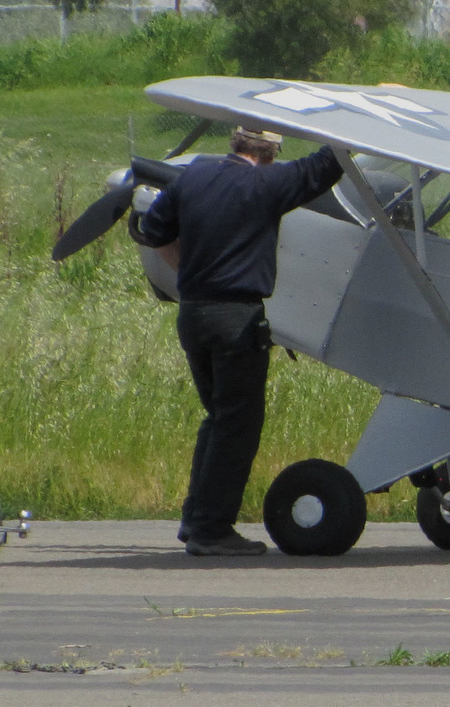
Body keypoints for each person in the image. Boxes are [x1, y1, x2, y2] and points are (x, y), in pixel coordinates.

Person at [137, 128, 344, 556]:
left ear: (235, 141)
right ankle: (211, 530)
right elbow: (328, 164)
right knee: (238, 424)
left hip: (193, 312)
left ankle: (196, 519)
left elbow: (152, 231)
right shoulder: (269, 182)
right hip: (237, 317)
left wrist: (187, 274)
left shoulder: (192, 177)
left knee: (218, 418)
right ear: (273, 150)